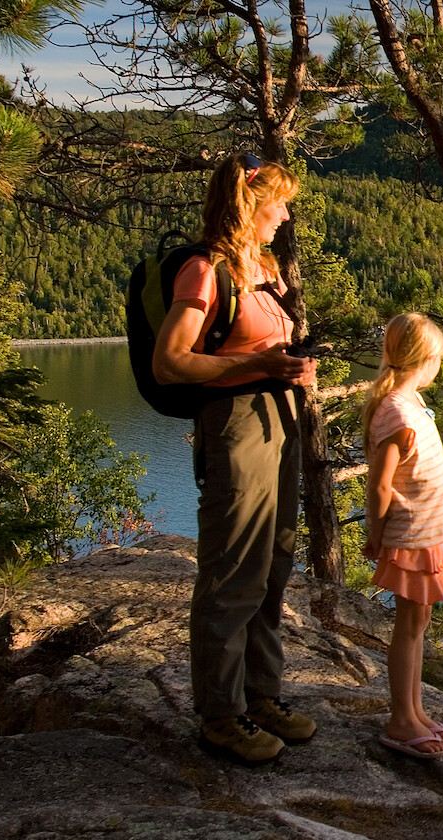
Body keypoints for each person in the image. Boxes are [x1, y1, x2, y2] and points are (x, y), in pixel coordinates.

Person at [154, 152, 319, 764]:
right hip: (237, 425)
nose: (284, 214)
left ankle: (260, 696)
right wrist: (257, 365)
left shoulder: (265, 268)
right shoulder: (205, 271)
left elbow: (257, 344)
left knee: (272, 566)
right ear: (251, 204)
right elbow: (170, 361)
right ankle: (221, 716)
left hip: (279, 420)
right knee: (233, 572)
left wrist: (288, 366)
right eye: (278, 202)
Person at [361, 313, 443, 759]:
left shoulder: (412, 404)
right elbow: (380, 485)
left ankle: (415, 710)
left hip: (427, 535)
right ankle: (401, 720)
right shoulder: (396, 413)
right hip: (411, 536)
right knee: (408, 626)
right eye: (440, 358)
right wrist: (376, 534)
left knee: (418, 622)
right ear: (426, 359)